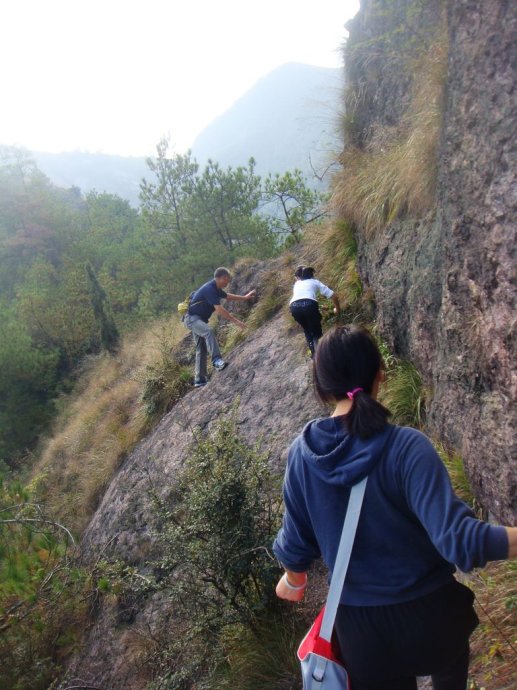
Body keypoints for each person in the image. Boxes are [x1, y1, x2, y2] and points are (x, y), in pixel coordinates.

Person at [273, 325, 516, 690]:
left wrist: (293, 580)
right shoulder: (406, 447)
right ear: (380, 375)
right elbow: (461, 542)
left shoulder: (302, 456)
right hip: (432, 620)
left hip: (363, 636)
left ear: (321, 386)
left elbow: (297, 545)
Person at [183, 267, 255, 387]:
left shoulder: (216, 289)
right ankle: (217, 361)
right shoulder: (210, 289)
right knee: (208, 331)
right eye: (227, 280)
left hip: (197, 319)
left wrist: (245, 297)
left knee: (201, 348)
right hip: (192, 319)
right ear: (223, 278)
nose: (228, 282)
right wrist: (237, 322)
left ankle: (199, 380)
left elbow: (228, 296)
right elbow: (219, 309)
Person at [289, 265, 340, 357]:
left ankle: (314, 355)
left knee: (307, 330)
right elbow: (334, 296)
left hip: (294, 306)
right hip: (309, 304)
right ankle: (323, 356)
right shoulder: (315, 282)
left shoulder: (297, 284)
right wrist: (337, 309)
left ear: (299, 277)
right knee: (316, 332)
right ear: (312, 276)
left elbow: (302, 298)